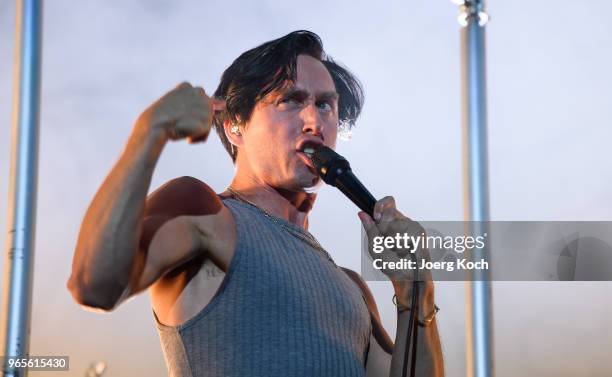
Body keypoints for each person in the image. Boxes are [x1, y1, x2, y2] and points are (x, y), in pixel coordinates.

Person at [68, 30, 444, 377]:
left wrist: (416, 292)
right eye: (291, 100)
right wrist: (148, 133)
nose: (314, 119)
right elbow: (95, 285)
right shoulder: (205, 210)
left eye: (326, 105)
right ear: (235, 123)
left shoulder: (351, 288)